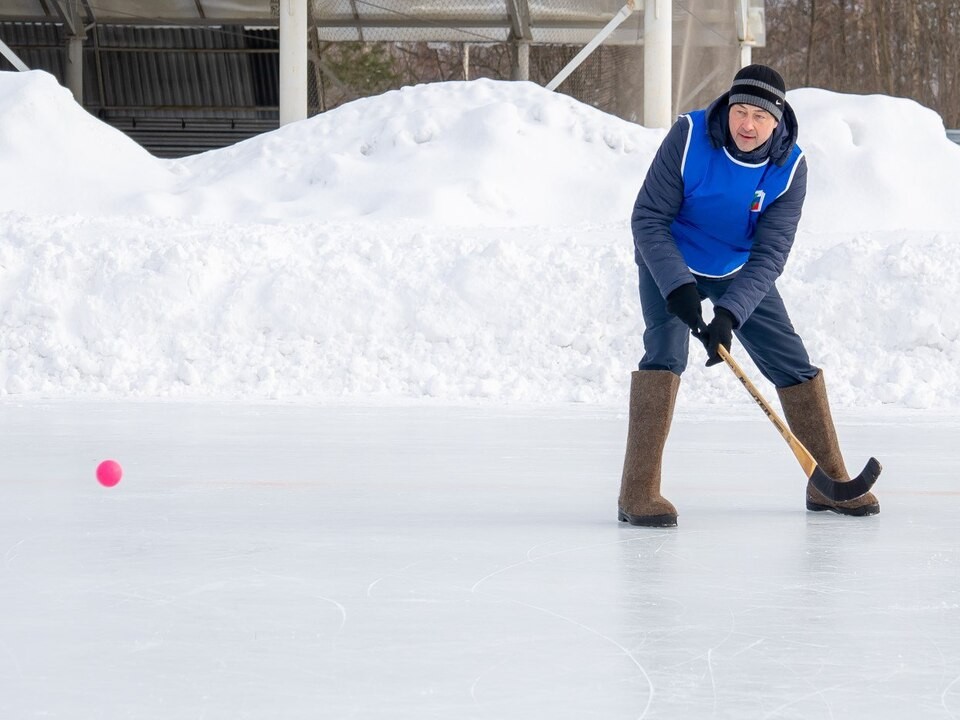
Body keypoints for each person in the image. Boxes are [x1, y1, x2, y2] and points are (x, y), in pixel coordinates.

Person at [618, 64, 879, 527]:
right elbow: (648, 218)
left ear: (778, 121)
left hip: (737, 269)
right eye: (740, 110)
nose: (747, 124)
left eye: (760, 116)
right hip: (669, 257)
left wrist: (731, 314)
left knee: (791, 360)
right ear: (728, 107)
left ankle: (829, 483)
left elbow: (771, 253)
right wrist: (677, 285)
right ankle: (638, 491)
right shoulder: (689, 137)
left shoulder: (790, 166)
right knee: (664, 355)